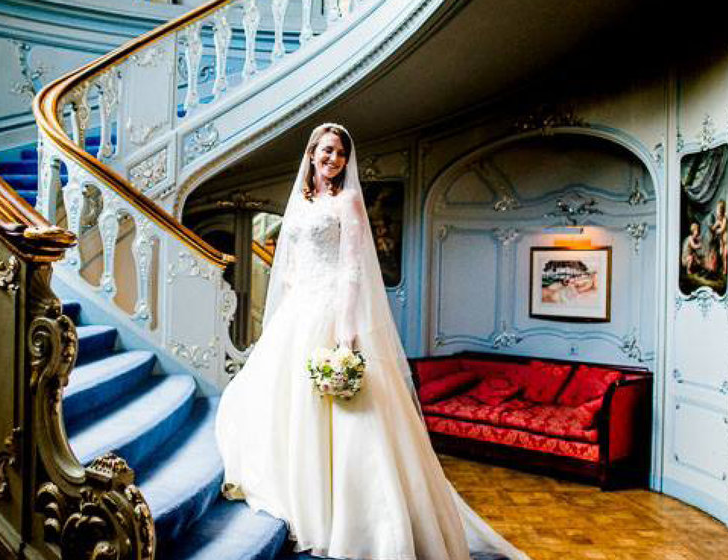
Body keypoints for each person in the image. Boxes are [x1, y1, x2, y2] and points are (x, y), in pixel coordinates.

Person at [215, 123, 528, 560]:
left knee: (345, 416)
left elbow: (352, 270)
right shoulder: (300, 204)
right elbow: (288, 264)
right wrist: (284, 307)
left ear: (346, 159)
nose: (332, 159)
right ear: (310, 154)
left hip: (329, 311)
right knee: (278, 403)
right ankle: (296, 488)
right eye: (326, 150)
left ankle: (349, 514)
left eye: (340, 153)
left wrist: (346, 327)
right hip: (296, 312)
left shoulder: (349, 201)